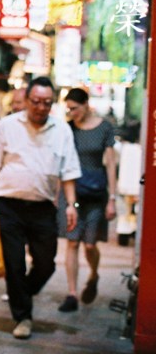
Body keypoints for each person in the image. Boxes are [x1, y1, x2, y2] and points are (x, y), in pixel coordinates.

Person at [0, 76, 80, 339]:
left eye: (47, 103)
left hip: (43, 207)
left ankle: (21, 292)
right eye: (36, 101)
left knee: (46, 264)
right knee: (14, 264)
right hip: (9, 206)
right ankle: (23, 317)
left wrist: (72, 205)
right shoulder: (8, 126)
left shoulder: (62, 130)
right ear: (26, 100)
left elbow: (69, 172)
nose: (41, 107)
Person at [59, 88, 117, 311]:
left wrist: (112, 198)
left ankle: (93, 275)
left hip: (96, 193)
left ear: (86, 104)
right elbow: (62, 162)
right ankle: (72, 293)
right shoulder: (68, 129)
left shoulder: (104, 128)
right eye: (68, 109)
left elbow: (110, 163)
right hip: (72, 193)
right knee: (72, 242)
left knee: (90, 244)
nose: (72, 113)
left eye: (74, 108)